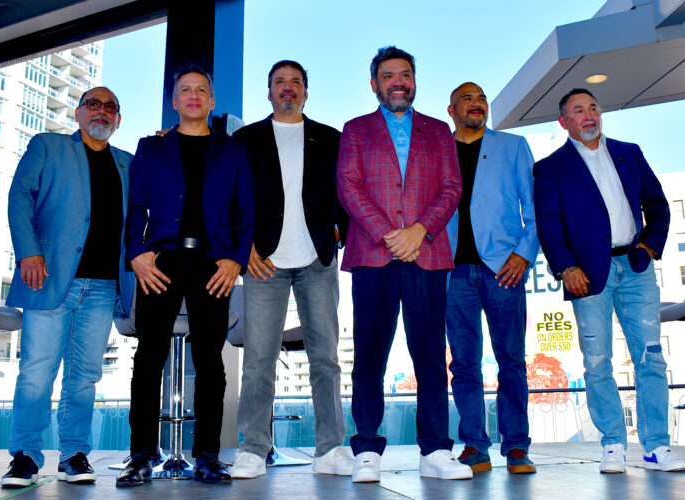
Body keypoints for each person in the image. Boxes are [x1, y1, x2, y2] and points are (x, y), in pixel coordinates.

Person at [533, 88, 685, 473]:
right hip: (586, 277)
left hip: (636, 268)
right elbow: (548, 226)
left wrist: (649, 247)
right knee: (598, 362)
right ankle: (613, 444)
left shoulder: (629, 152)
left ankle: (656, 447)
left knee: (651, 358)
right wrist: (566, 267)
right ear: (563, 122)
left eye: (593, 108)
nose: (588, 116)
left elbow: (657, 206)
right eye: (578, 111)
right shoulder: (550, 168)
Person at [117, 63, 254, 487]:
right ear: (174, 101)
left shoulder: (232, 150)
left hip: (213, 265)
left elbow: (245, 212)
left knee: (211, 362)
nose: (193, 96)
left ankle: (208, 457)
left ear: (211, 102)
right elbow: (135, 209)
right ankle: (141, 455)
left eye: (201, 91)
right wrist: (136, 253)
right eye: (185, 90)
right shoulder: (150, 147)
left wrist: (235, 260)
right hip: (159, 262)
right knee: (148, 358)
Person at [337, 46, 469, 482]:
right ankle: (367, 450)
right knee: (369, 354)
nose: (399, 81)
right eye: (389, 75)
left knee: (430, 354)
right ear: (374, 84)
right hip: (372, 254)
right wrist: (389, 235)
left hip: (426, 255)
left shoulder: (438, 131)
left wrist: (419, 232)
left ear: (415, 81)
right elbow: (349, 187)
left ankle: (434, 451)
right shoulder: (355, 130)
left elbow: (451, 188)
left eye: (406, 74)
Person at [3, 87, 133, 487]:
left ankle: (74, 454)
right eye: (93, 104)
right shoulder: (48, 146)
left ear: (118, 120)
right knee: (37, 372)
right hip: (48, 277)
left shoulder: (128, 163)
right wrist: (27, 252)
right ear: (78, 113)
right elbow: (20, 196)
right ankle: (25, 455)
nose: (102, 112)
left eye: (111, 107)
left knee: (85, 376)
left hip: (103, 286)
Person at [228, 60, 352, 479]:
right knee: (259, 359)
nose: (288, 89)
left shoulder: (331, 139)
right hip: (264, 262)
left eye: (295, 82)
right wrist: (241, 249)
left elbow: (349, 190)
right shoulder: (244, 140)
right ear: (268, 92)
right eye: (279, 82)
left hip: (317, 260)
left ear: (305, 91)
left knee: (326, 359)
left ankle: (331, 447)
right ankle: (252, 447)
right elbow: (229, 198)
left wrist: (341, 230)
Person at [445, 82, 538, 474]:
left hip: (503, 268)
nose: (476, 104)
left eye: (481, 98)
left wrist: (523, 254)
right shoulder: (437, 149)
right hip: (451, 271)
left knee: (511, 360)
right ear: (452, 110)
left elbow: (535, 208)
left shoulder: (513, 146)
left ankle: (516, 447)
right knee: (464, 364)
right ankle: (475, 445)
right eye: (467, 98)